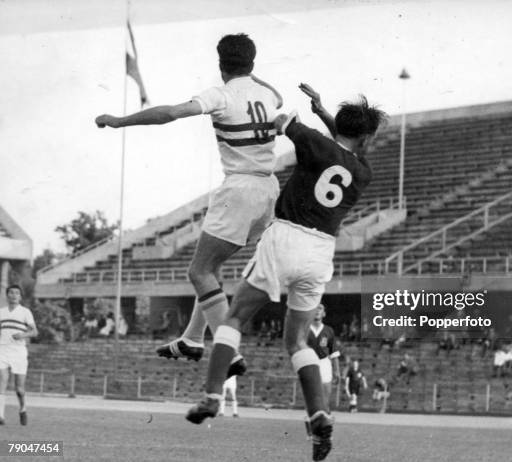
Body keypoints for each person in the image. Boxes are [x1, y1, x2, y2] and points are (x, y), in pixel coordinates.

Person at [184, 85, 386, 462]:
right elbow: (345, 148)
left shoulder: (311, 141)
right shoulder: (363, 172)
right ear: (367, 137)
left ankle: (213, 395)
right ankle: (320, 414)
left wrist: (299, 118)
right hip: (321, 253)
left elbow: (281, 122)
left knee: (235, 317)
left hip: (286, 237)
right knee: (297, 342)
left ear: (335, 126)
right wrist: (327, 115)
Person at [95, 33, 283, 372]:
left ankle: (230, 352)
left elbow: (171, 112)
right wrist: (251, 73)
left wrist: (120, 121)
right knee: (212, 269)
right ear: (252, 64)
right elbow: (280, 97)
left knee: (198, 270)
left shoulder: (221, 94)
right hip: (269, 190)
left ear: (220, 64)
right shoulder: (268, 94)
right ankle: (192, 339)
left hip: (239, 188)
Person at [0, 285, 38, 425]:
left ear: (20, 296)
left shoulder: (25, 312)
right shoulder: (1, 312)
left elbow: (34, 332)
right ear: (7, 295)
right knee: (2, 381)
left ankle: (23, 408)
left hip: (19, 351)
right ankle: (1, 415)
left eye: (17, 293)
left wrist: (23, 334)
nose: (14, 295)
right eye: (11, 292)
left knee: (19, 389)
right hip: (2, 350)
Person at [307, 304, 341, 409]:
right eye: (315, 308)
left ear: (324, 313)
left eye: (320, 308)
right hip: (310, 363)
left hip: (324, 363)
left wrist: (337, 371)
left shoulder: (328, 331)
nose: (317, 310)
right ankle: (313, 419)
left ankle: (325, 417)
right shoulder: (305, 330)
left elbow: (334, 353)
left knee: (326, 395)